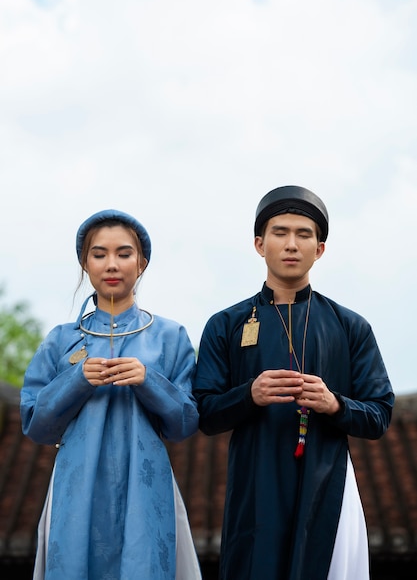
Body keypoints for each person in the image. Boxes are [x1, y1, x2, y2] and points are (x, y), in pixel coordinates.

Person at [193, 185, 394, 580]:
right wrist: (249, 395)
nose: (291, 244)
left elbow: (380, 414)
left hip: (327, 483)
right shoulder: (227, 324)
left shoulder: (349, 326)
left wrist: (335, 404)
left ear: (319, 249)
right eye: (280, 232)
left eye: (304, 235)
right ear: (259, 244)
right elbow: (204, 413)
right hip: (255, 487)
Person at [21, 209, 202, 580]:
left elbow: (185, 423)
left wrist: (148, 380)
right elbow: (35, 425)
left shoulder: (170, 336)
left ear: (142, 262)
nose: (112, 264)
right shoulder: (61, 339)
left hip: (145, 485)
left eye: (124, 253)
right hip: (76, 484)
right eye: (99, 254)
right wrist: (76, 379)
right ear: (85, 264)